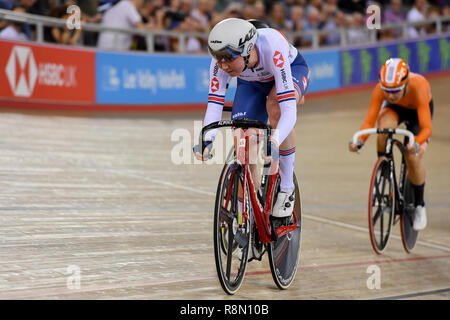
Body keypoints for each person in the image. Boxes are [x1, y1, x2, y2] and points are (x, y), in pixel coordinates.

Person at [194, 18, 310, 219]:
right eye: (218, 59)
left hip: (290, 70)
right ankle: (245, 214)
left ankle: (287, 187)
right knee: (244, 140)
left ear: (248, 51)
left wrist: (274, 141)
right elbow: (215, 103)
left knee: (275, 108)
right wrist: (207, 139)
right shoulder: (220, 63)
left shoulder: (273, 46)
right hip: (252, 83)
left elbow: (289, 110)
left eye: (228, 59)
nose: (222, 66)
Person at [349, 58, 433, 231]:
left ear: (406, 82)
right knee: (383, 129)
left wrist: (415, 143)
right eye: (386, 90)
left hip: (418, 113)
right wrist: (359, 141)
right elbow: (369, 122)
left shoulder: (418, 86)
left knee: (412, 157)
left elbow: (427, 129)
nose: (390, 95)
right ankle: (384, 171)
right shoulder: (381, 91)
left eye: (395, 91)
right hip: (395, 110)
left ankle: (419, 205)